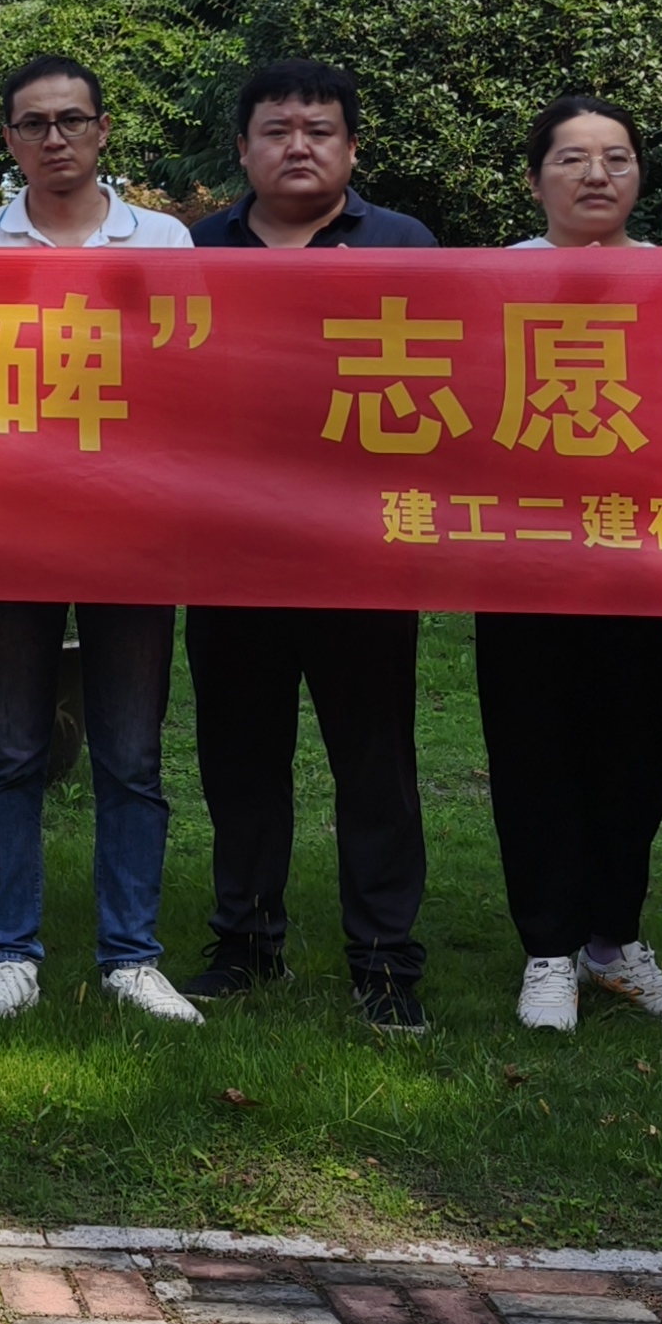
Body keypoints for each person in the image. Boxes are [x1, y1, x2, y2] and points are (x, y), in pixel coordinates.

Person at [0, 56, 197, 1025]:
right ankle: (8, 955)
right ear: (9, 140)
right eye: (33, 124)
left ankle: (132, 957)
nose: (54, 138)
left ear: (101, 130)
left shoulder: (164, 240)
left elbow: (187, 376)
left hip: (131, 529)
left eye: (71, 120)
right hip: (10, 527)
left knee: (130, 752)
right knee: (11, 747)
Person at [180, 59, 435, 1030]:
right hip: (229, 548)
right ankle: (246, 942)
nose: (298, 146)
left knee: (374, 761)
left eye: (318, 130)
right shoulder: (195, 251)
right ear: (242, 149)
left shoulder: (407, 248)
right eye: (277, 130)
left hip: (363, 553)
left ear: (351, 149)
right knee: (239, 756)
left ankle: (385, 960)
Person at [480, 95, 662, 1035]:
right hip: (523, 560)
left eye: (617, 156)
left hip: (644, 561)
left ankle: (612, 943)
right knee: (531, 751)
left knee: (635, 758)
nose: (597, 173)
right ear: (536, 180)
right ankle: (547, 951)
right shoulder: (487, 283)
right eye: (572, 158)